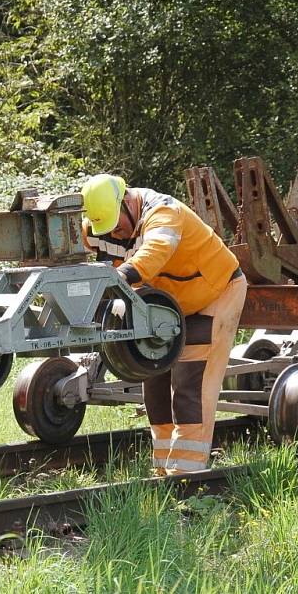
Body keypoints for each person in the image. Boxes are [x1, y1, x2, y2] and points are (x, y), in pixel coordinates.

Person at [81, 174, 247, 475]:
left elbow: (155, 251)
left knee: (190, 384)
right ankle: (164, 470)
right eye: (107, 230)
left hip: (215, 295)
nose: (114, 236)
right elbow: (72, 250)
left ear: (128, 202)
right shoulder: (99, 227)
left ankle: (186, 476)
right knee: (154, 384)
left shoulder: (164, 212)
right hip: (165, 308)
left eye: (118, 227)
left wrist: (120, 278)